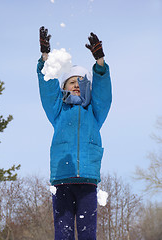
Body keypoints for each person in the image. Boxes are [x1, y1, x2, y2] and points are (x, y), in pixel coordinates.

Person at [37, 26, 112, 240]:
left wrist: (100, 62)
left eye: (81, 81)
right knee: (63, 233)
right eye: (71, 81)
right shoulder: (58, 110)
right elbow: (47, 88)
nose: (76, 85)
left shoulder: (94, 111)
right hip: (61, 179)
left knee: (88, 233)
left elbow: (104, 94)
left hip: (88, 179)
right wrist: (46, 58)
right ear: (65, 87)